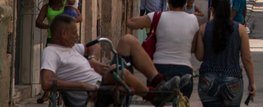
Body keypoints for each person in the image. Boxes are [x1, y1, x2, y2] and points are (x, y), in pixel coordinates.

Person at [40, 14, 186, 107]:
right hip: (94, 94)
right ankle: (153, 96)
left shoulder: (72, 47)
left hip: (103, 82)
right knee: (120, 72)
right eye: (74, 33)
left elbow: (94, 45)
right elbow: (46, 83)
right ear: (63, 34)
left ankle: (159, 82)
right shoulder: (51, 52)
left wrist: (92, 60)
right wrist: (82, 85)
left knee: (128, 40)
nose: (76, 37)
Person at [127, 0, 199, 98]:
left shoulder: (157, 16)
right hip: (184, 71)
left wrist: (147, 22)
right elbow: (193, 48)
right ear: (186, 2)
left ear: (168, 0)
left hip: (158, 71)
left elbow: (130, 23)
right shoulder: (193, 20)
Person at [195, 0, 256, 107]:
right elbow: (247, 59)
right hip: (232, 80)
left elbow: (199, 56)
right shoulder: (240, 30)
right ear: (229, 9)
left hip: (208, 79)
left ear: (212, 9)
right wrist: (252, 82)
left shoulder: (203, 29)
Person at [35, 0, 66, 103]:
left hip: (65, 41)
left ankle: (63, 94)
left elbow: (77, 16)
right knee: (49, 67)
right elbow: (37, 22)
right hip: (52, 40)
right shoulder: (46, 7)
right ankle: (47, 92)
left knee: (63, 68)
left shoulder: (66, 5)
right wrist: (48, 26)